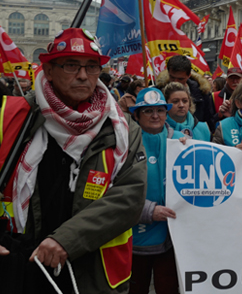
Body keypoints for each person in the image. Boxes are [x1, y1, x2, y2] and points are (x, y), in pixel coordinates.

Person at [0, 28, 146, 293]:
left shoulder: (121, 128)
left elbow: (130, 196)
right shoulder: (15, 116)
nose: (82, 75)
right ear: (49, 70)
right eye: (71, 65)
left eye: (91, 67)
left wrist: (67, 240)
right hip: (21, 264)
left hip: (91, 271)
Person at [128, 88, 184, 294]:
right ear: (136, 115)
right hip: (135, 237)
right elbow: (115, 190)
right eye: (147, 111)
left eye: (160, 110)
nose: (155, 116)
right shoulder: (126, 143)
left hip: (173, 237)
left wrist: (240, 154)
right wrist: (148, 211)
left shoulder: (181, 141)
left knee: (168, 288)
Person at [155, 55, 216, 131]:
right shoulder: (157, 93)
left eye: (180, 79)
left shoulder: (202, 92)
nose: (175, 81)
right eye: (172, 77)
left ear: (189, 75)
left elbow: (209, 120)